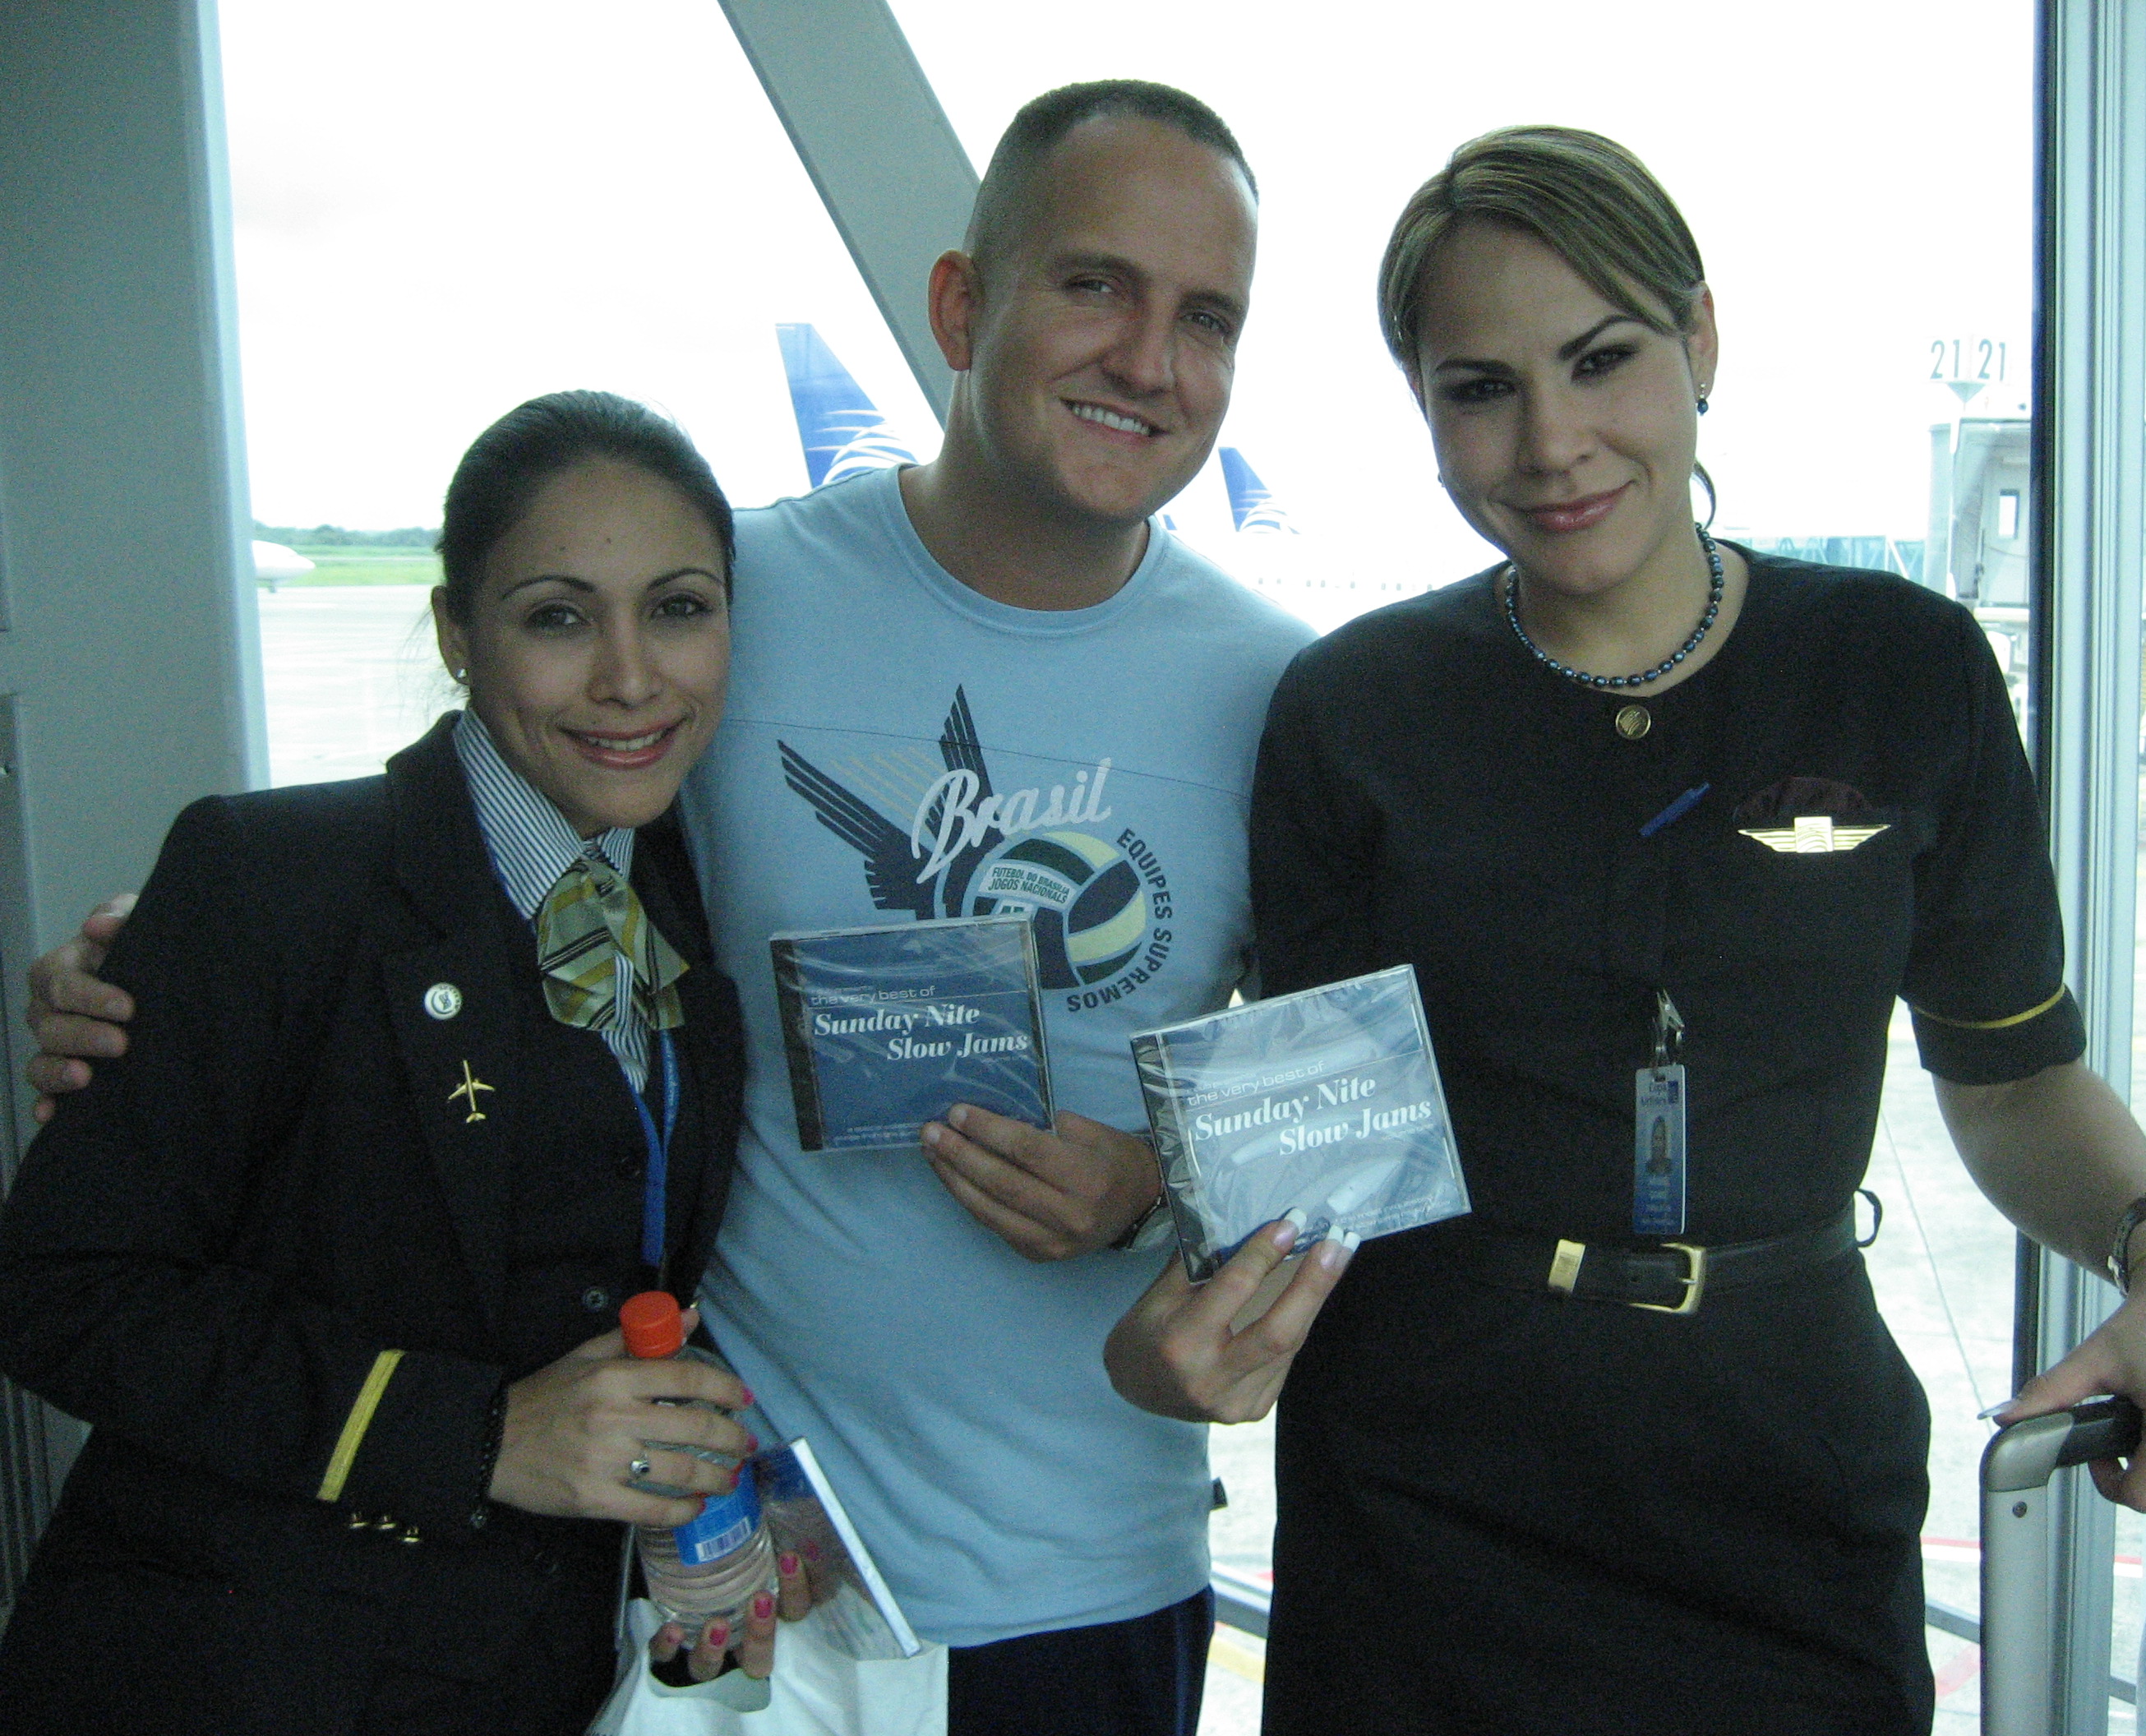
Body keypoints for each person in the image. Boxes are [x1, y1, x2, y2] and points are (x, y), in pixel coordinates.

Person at [23, 82, 1349, 1736]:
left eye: (1205, 315)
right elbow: (471, 851)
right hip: (729, 1570)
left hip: (1083, 1569)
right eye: (1092, 285)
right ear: (959, 303)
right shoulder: (733, 599)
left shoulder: (1287, 696)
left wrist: (1162, 1179)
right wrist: (155, 970)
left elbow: (1353, 1100)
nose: (1148, 359)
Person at [1105, 127, 2146, 1732]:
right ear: (1424, 413)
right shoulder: (1357, 710)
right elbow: (1323, 1131)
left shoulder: (1900, 667)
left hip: (1783, 1476)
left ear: (1702, 345)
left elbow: (2016, 1081)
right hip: (1420, 1495)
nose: (1550, 442)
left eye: (1601, 360)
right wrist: (1163, 1299)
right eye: (1479, 388)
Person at [0, 390, 801, 1733]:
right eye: (557, 615)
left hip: (539, 1673)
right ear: (455, 632)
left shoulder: (673, 891)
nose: (629, 676)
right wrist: (477, 1435)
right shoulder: (269, 882)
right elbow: (58, 1289)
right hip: (249, 1678)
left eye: (678, 608)